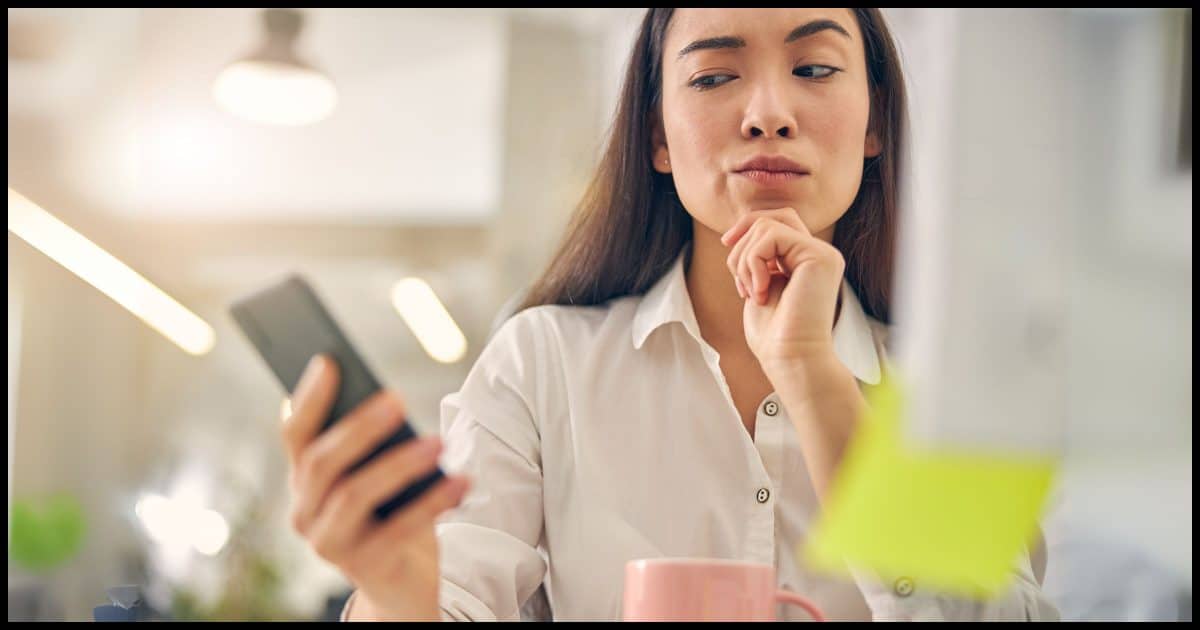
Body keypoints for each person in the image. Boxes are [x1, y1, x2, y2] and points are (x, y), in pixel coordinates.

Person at [279, 8, 1058, 621]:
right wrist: (393, 586)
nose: (768, 113)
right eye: (715, 77)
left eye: (814, 68)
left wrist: (815, 376)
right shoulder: (544, 363)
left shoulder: (953, 383)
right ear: (656, 132)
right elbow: (451, 601)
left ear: (876, 122)